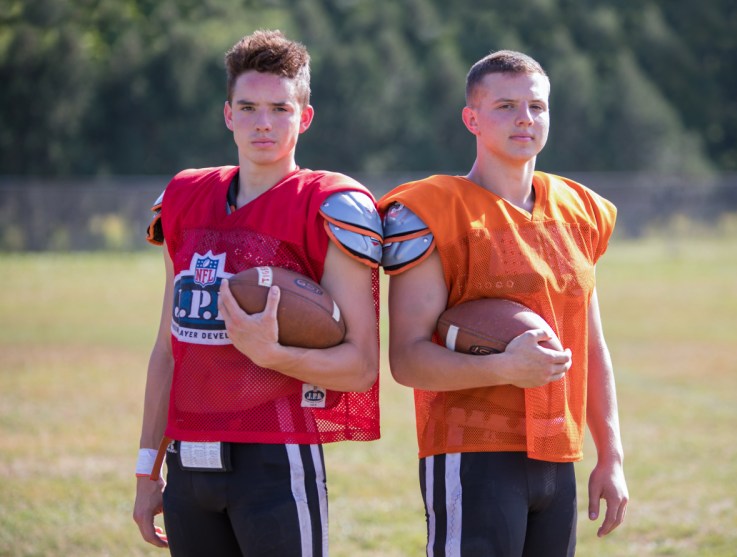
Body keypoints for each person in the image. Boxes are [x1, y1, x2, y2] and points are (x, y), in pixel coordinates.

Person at [132, 30, 382, 557]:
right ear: (227, 114)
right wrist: (146, 468)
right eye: (247, 107)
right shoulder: (183, 198)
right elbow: (167, 352)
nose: (263, 123)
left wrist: (272, 354)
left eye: (279, 108)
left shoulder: (329, 203)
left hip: (277, 459)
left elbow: (360, 367)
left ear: (304, 117)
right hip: (188, 459)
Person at [378, 50, 628, 556]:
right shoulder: (434, 209)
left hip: (559, 449)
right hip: (472, 451)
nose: (525, 119)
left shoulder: (578, 209)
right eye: (506, 106)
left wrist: (612, 455)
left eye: (537, 107)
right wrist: (506, 366)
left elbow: (591, 344)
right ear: (472, 118)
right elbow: (406, 360)